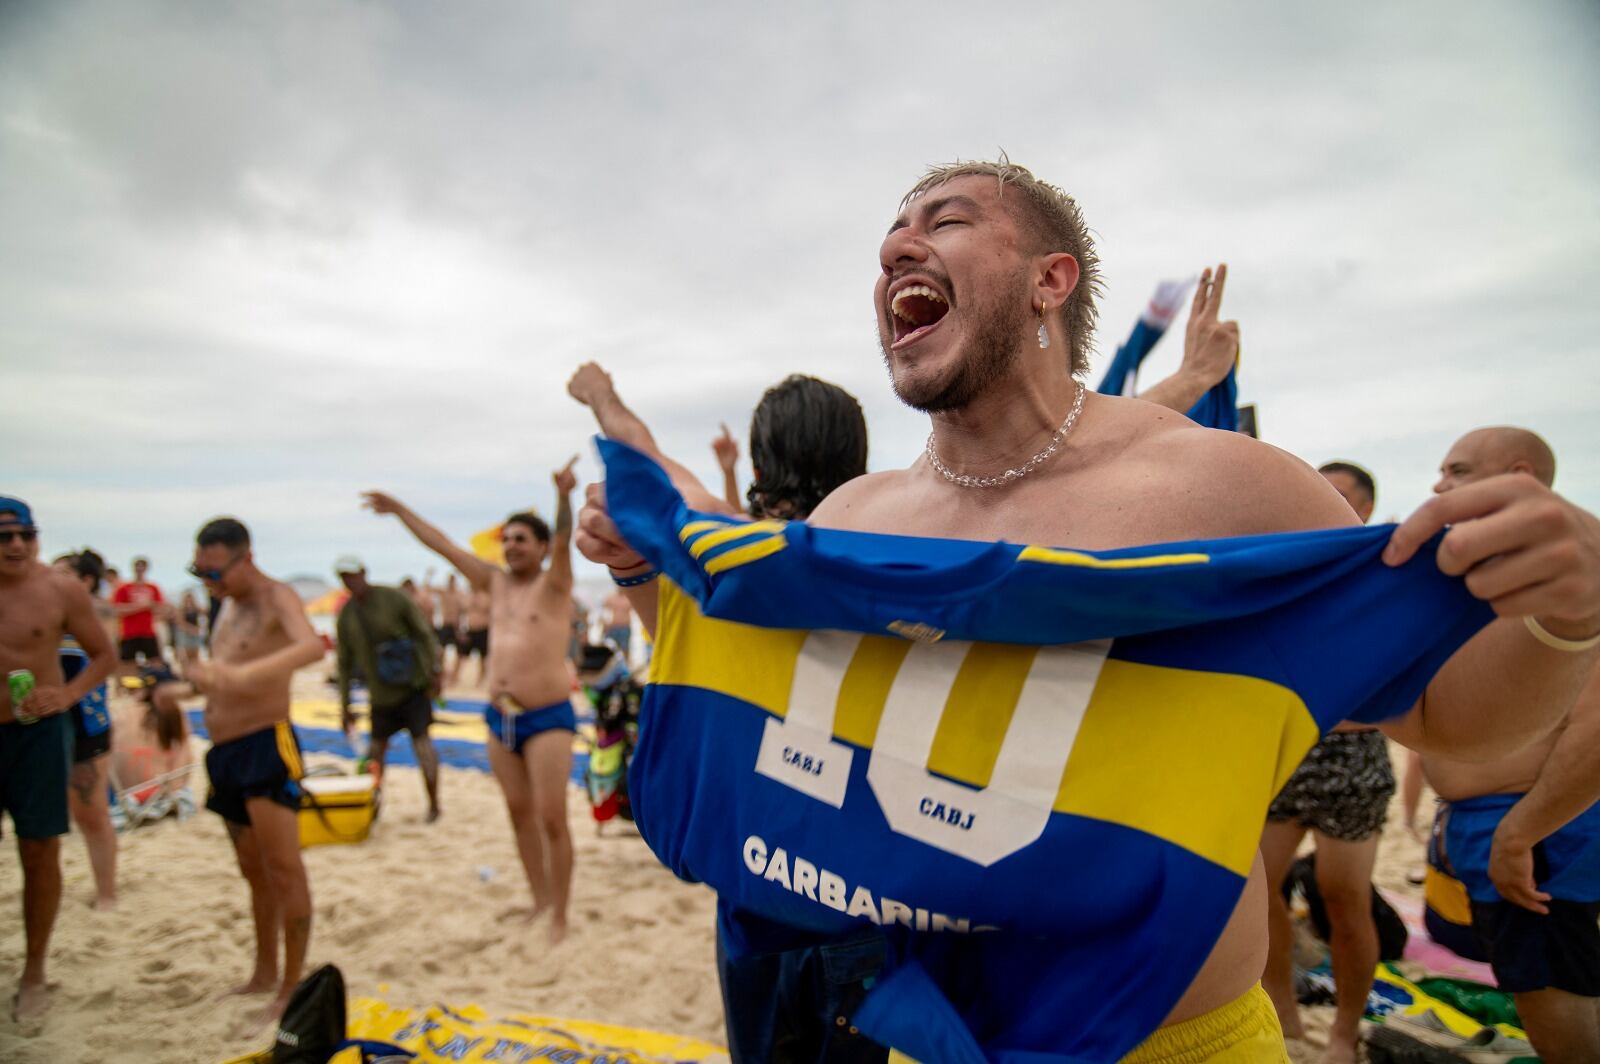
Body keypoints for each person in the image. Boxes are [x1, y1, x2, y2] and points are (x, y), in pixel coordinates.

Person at [576, 160, 1600, 1062]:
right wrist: (640, 577)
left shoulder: (1223, 490)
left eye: (944, 219)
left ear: (1047, 280)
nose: (896, 247)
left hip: (1175, 1042)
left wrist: (1571, 617)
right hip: (932, 1035)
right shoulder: (860, 515)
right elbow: (776, 712)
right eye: (890, 235)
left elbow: (1457, 722)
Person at [1418, 427, 1600, 1064]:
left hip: (1542, 827)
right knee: (1534, 985)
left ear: (1520, 473)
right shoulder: (1483, 582)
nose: (1440, 485)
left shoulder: (1566, 575)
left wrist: (1521, 833)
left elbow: (1596, 728)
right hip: (1495, 825)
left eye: (1458, 470)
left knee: (1556, 995)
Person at [364, 459, 581, 944]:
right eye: (506, 539)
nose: (511, 545)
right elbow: (441, 543)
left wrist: (564, 495)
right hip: (498, 717)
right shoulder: (494, 583)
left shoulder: (555, 584)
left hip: (547, 717)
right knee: (518, 812)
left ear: (542, 547)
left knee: (551, 816)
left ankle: (561, 914)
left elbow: (566, 541)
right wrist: (399, 509)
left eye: (521, 538)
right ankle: (539, 899)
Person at [152, 517, 324, 1023]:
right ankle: (265, 971)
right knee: (252, 869)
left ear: (244, 558)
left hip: (266, 743)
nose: (209, 582)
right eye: (199, 572)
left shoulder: (277, 597)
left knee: (283, 867)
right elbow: (219, 679)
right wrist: (177, 692)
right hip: (224, 749)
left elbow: (312, 647)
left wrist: (237, 675)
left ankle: (292, 983)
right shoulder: (224, 604)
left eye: (215, 572)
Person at [1261, 460, 1389, 1063]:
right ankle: (1282, 1006)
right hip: (1283, 755)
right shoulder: (1281, 569)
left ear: (1360, 509)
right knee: (1260, 890)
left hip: (1352, 764)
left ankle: (1345, 1029)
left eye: (1338, 496)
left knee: (1344, 900)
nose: (1321, 502)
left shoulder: (1381, 575)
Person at [0, 497, 115, 1023]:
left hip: (38, 734)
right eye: (5, 536)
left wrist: (66, 697)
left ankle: (34, 972)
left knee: (40, 850)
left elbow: (105, 655)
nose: (18, 544)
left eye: (27, 534)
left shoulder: (59, 589)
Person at [333, 556, 443, 822]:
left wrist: (435, 671)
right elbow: (344, 664)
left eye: (353, 575)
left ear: (364, 572)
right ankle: (373, 805)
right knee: (376, 753)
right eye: (345, 577)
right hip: (380, 696)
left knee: (423, 746)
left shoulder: (393, 599)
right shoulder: (347, 615)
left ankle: (434, 805)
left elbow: (424, 634)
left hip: (411, 688)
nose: (351, 581)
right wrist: (345, 706)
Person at [56, 549, 121, 911]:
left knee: (91, 812)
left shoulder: (98, 610)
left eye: (63, 574)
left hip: (86, 719)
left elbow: (105, 657)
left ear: (86, 581)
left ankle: (107, 892)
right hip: (42, 720)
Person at [111, 556, 166, 674]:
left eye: (142, 566)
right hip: (129, 632)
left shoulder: (153, 588)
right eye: (138, 566)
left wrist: (149, 606)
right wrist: (140, 606)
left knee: (155, 661)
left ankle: (154, 685)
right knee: (128, 663)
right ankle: (132, 689)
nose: (140, 569)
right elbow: (117, 609)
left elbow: (160, 608)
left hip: (148, 631)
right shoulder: (124, 588)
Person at [432, 572, 464, 680]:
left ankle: (455, 675)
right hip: (445, 624)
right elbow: (427, 588)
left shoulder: (459, 595)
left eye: (453, 581)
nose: (451, 583)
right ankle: (441, 671)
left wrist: (461, 628)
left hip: (456, 626)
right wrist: (429, 575)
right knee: (441, 650)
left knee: (460, 652)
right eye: (450, 581)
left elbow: (463, 611)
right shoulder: (443, 593)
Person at [172, 590, 207, 673]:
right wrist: (190, 629)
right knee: (186, 656)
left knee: (195, 656)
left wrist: (198, 628)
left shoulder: (197, 609)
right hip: (185, 634)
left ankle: (196, 673)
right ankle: (187, 674)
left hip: (195, 633)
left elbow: (205, 615)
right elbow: (180, 622)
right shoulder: (181, 609)